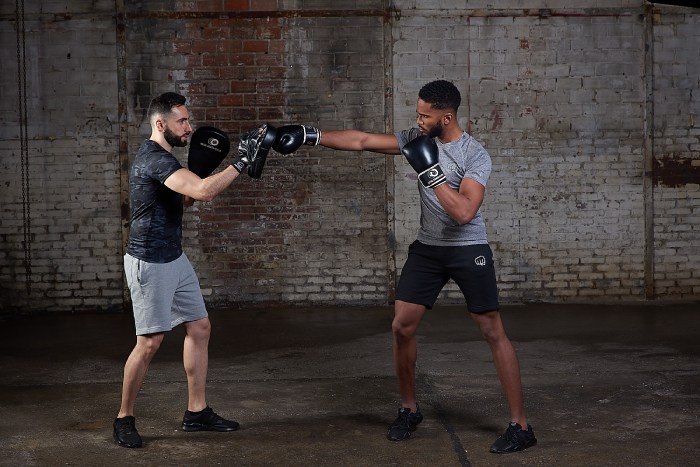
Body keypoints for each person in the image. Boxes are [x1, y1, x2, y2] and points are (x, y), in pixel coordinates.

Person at [269, 80, 536, 454]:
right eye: (418, 113)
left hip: (467, 247)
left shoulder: (475, 155)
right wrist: (311, 135)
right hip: (428, 249)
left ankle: (520, 425)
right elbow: (362, 141)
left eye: (425, 115)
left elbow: (463, 213)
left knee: (492, 330)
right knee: (401, 325)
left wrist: (432, 174)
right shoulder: (416, 136)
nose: (418, 120)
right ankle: (409, 409)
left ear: (446, 117)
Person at [114, 92, 256, 448]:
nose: (189, 128)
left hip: (174, 258)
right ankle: (124, 418)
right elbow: (204, 193)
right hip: (149, 261)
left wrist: (202, 175)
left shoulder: (168, 161)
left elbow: (188, 197)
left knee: (200, 327)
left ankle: (196, 412)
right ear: (160, 125)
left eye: (188, 121)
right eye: (182, 122)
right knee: (149, 343)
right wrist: (241, 161)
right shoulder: (154, 159)